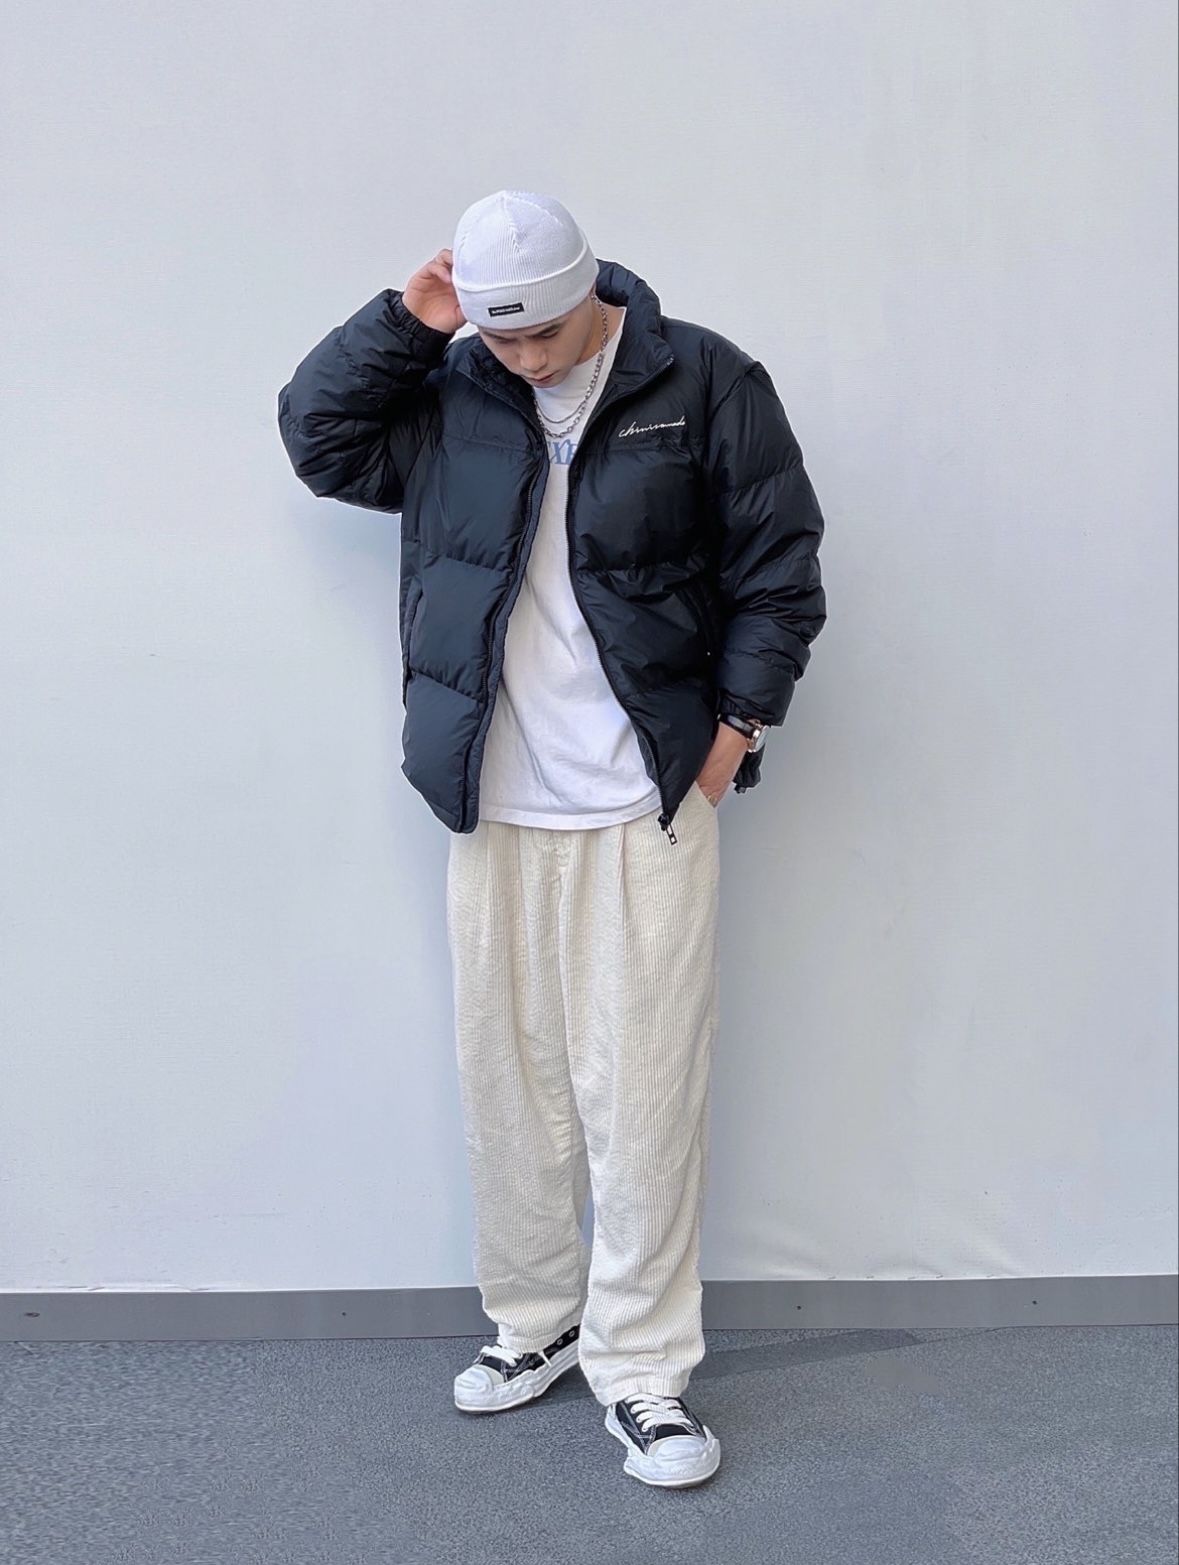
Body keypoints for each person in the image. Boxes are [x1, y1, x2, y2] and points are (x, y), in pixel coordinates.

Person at [278, 191, 825, 1488]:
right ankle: (538, 1321)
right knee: (509, 1090)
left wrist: (733, 735)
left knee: (644, 1098)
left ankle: (645, 1373)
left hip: (645, 800)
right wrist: (407, 323)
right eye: (500, 332)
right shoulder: (452, 385)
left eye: (544, 332)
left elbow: (780, 568)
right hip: (495, 800)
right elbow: (317, 439)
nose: (524, 357)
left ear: (593, 293)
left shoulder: (706, 379)